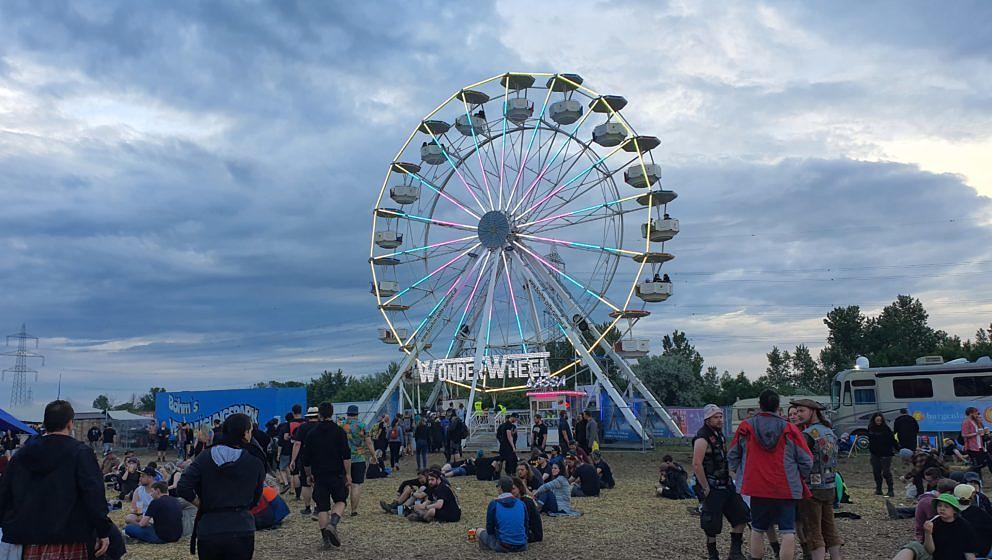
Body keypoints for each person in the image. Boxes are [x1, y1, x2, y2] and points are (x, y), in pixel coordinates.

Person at [0, 400, 113, 558]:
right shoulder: (80, 453)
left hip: (27, 540)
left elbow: (4, 494)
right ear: (70, 424)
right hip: (68, 537)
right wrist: (103, 530)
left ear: (45, 423)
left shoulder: (21, 455)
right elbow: (93, 495)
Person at [728, 391, 813, 560]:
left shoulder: (746, 427)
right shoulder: (790, 428)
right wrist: (799, 476)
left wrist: (741, 471)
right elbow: (806, 459)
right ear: (778, 406)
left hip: (757, 486)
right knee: (788, 530)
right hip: (786, 486)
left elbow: (732, 454)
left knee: (758, 528)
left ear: (760, 405)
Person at [177, 413, 266, 560]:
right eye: (250, 431)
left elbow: (183, 486)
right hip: (241, 526)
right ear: (245, 433)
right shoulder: (255, 461)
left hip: (210, 527)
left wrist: (201, 504)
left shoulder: (205, 456)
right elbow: (256, 497)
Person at [691, 404, 749, 560]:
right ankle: (713, 554)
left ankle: (735, 552)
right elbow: (697, 463)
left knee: (742, 515)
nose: (719, 420)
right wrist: (705, 487)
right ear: (707, 419)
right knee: (711, 524)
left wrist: (733, 477)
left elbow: (724, 460)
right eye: (715, 417)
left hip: (727, 484)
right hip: (712, 486)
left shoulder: (720, 435)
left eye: (720, 416)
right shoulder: (702, 437)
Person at [793, 398, 844, 560]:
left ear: (813, 412)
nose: (798, 415)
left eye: (802, 411)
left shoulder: (807, 435)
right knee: (829, 528)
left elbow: (798, 459)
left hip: (811, 488)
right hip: (829, 484)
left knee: (813, 530)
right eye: (797, 411)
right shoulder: (828, 430)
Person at [300, 402, 352, 549]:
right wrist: (348, 474)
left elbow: (306, 460)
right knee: (341, 500)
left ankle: (326, 541)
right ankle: (333, 524)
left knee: (322, 508)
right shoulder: (339, 432)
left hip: (319, 476)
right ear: (332, 413)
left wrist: (309, 475)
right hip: (337, 474)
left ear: (319, 415)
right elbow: (346, 456)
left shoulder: (311, 434)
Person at [891, 493, 978, 560]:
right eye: (939, 505)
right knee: (913, 546)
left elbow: (969, 552)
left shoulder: (964, 526)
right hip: (934, 557)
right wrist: (928, 533)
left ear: (954, 510)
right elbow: (930, 550)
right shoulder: (933, 522)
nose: (942, 509)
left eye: (946, 506)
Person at [339, 404, 377, 517]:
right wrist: (374, 455)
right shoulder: (362, 426)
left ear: (347, 414)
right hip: (358, 458)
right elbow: (369, 443)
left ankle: (340, 507)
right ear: (357, 414)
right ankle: (353, 510)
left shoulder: (341, 426)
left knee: (343, 484)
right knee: (356, 485)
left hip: (343, 459)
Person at [475, 476, 529, 553]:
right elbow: (526, 524)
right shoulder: (521, 503)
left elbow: (490, 527)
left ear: (500, 488)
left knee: (479, 531)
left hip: (502, 545)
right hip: (522, 545)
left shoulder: (494, 504)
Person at [290, 407, 319, 516]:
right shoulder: (321, 427)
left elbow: (297, 444)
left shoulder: (302, 428)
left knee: (306, 484)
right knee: (317, 483)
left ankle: (307, 508)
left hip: (305, 458)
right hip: (320, 459)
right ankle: (317, 507)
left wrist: (293, 460)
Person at [954, 483, 992, 557]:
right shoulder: (977, 512)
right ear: (971, 497)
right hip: (981, 550)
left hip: (958, 551)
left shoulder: (951, 511)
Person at [868, 412, 899, 497]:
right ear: (874, 420)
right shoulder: (870, 428)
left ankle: (890, 490)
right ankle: (878, 489)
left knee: (886, 472)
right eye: (877, 420)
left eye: (880, 420)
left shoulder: (886, 429)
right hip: (875, 453)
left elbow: (892, 440)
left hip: (886, 453)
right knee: (876, 472)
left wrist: (897, 448)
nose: (878, 421)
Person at [510, 476, 543, 543]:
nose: (511, 491)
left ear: (519, 488)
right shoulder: (514, 501)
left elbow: (525, 521)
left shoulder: (526, 502)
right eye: (509, 489)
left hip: (533, 534)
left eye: (513, 489)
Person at [961, 407, 989, 480]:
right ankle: (977, 480)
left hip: (979, 446)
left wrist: (984, 432)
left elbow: (980, 434)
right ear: (971, 413)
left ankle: (973, 475)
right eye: (975, 412)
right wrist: (976, 433)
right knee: (977, 465)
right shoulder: (966, 422)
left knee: (983, 462)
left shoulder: (975, 421)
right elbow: (964, 434)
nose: (977, 414)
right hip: (972, 447)